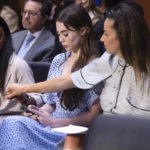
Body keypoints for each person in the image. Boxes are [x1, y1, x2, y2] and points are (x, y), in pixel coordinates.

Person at [6, 3, 150, 117]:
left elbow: (94, 112)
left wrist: (25, 89)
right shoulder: (106, 62)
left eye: (106, 34)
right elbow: (57, 90)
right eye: (59, 34)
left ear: (124, 37)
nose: (101, 38)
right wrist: (32, 105)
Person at [1, 4, 100, 150]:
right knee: (12, 123)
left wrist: (56, 123)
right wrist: (39, 113)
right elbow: (51, 104)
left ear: (83, 31)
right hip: (51, 126)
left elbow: (95, 114)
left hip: (73, 132)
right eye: (59, 34)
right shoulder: (59, 60)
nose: (61, 39)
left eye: (65, 34)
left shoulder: (95, 65)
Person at [0, 16, 42, 124]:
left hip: (12, 119)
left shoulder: (18, 64)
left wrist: (24, 99)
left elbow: (37, 100)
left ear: (4, 37)